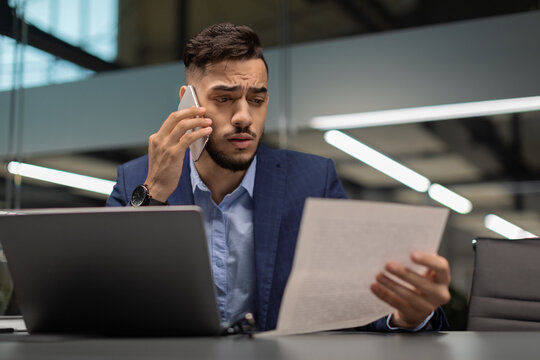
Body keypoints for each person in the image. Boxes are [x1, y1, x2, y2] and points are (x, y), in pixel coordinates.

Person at [107, 23, 451, 332]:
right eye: (224, 98)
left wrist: (408, 314)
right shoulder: (136, 179)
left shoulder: (313, 180)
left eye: (257, 99)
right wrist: (154, 195)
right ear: (188, 102)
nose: (244, 117)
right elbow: (108, 298)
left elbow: (355, 304)